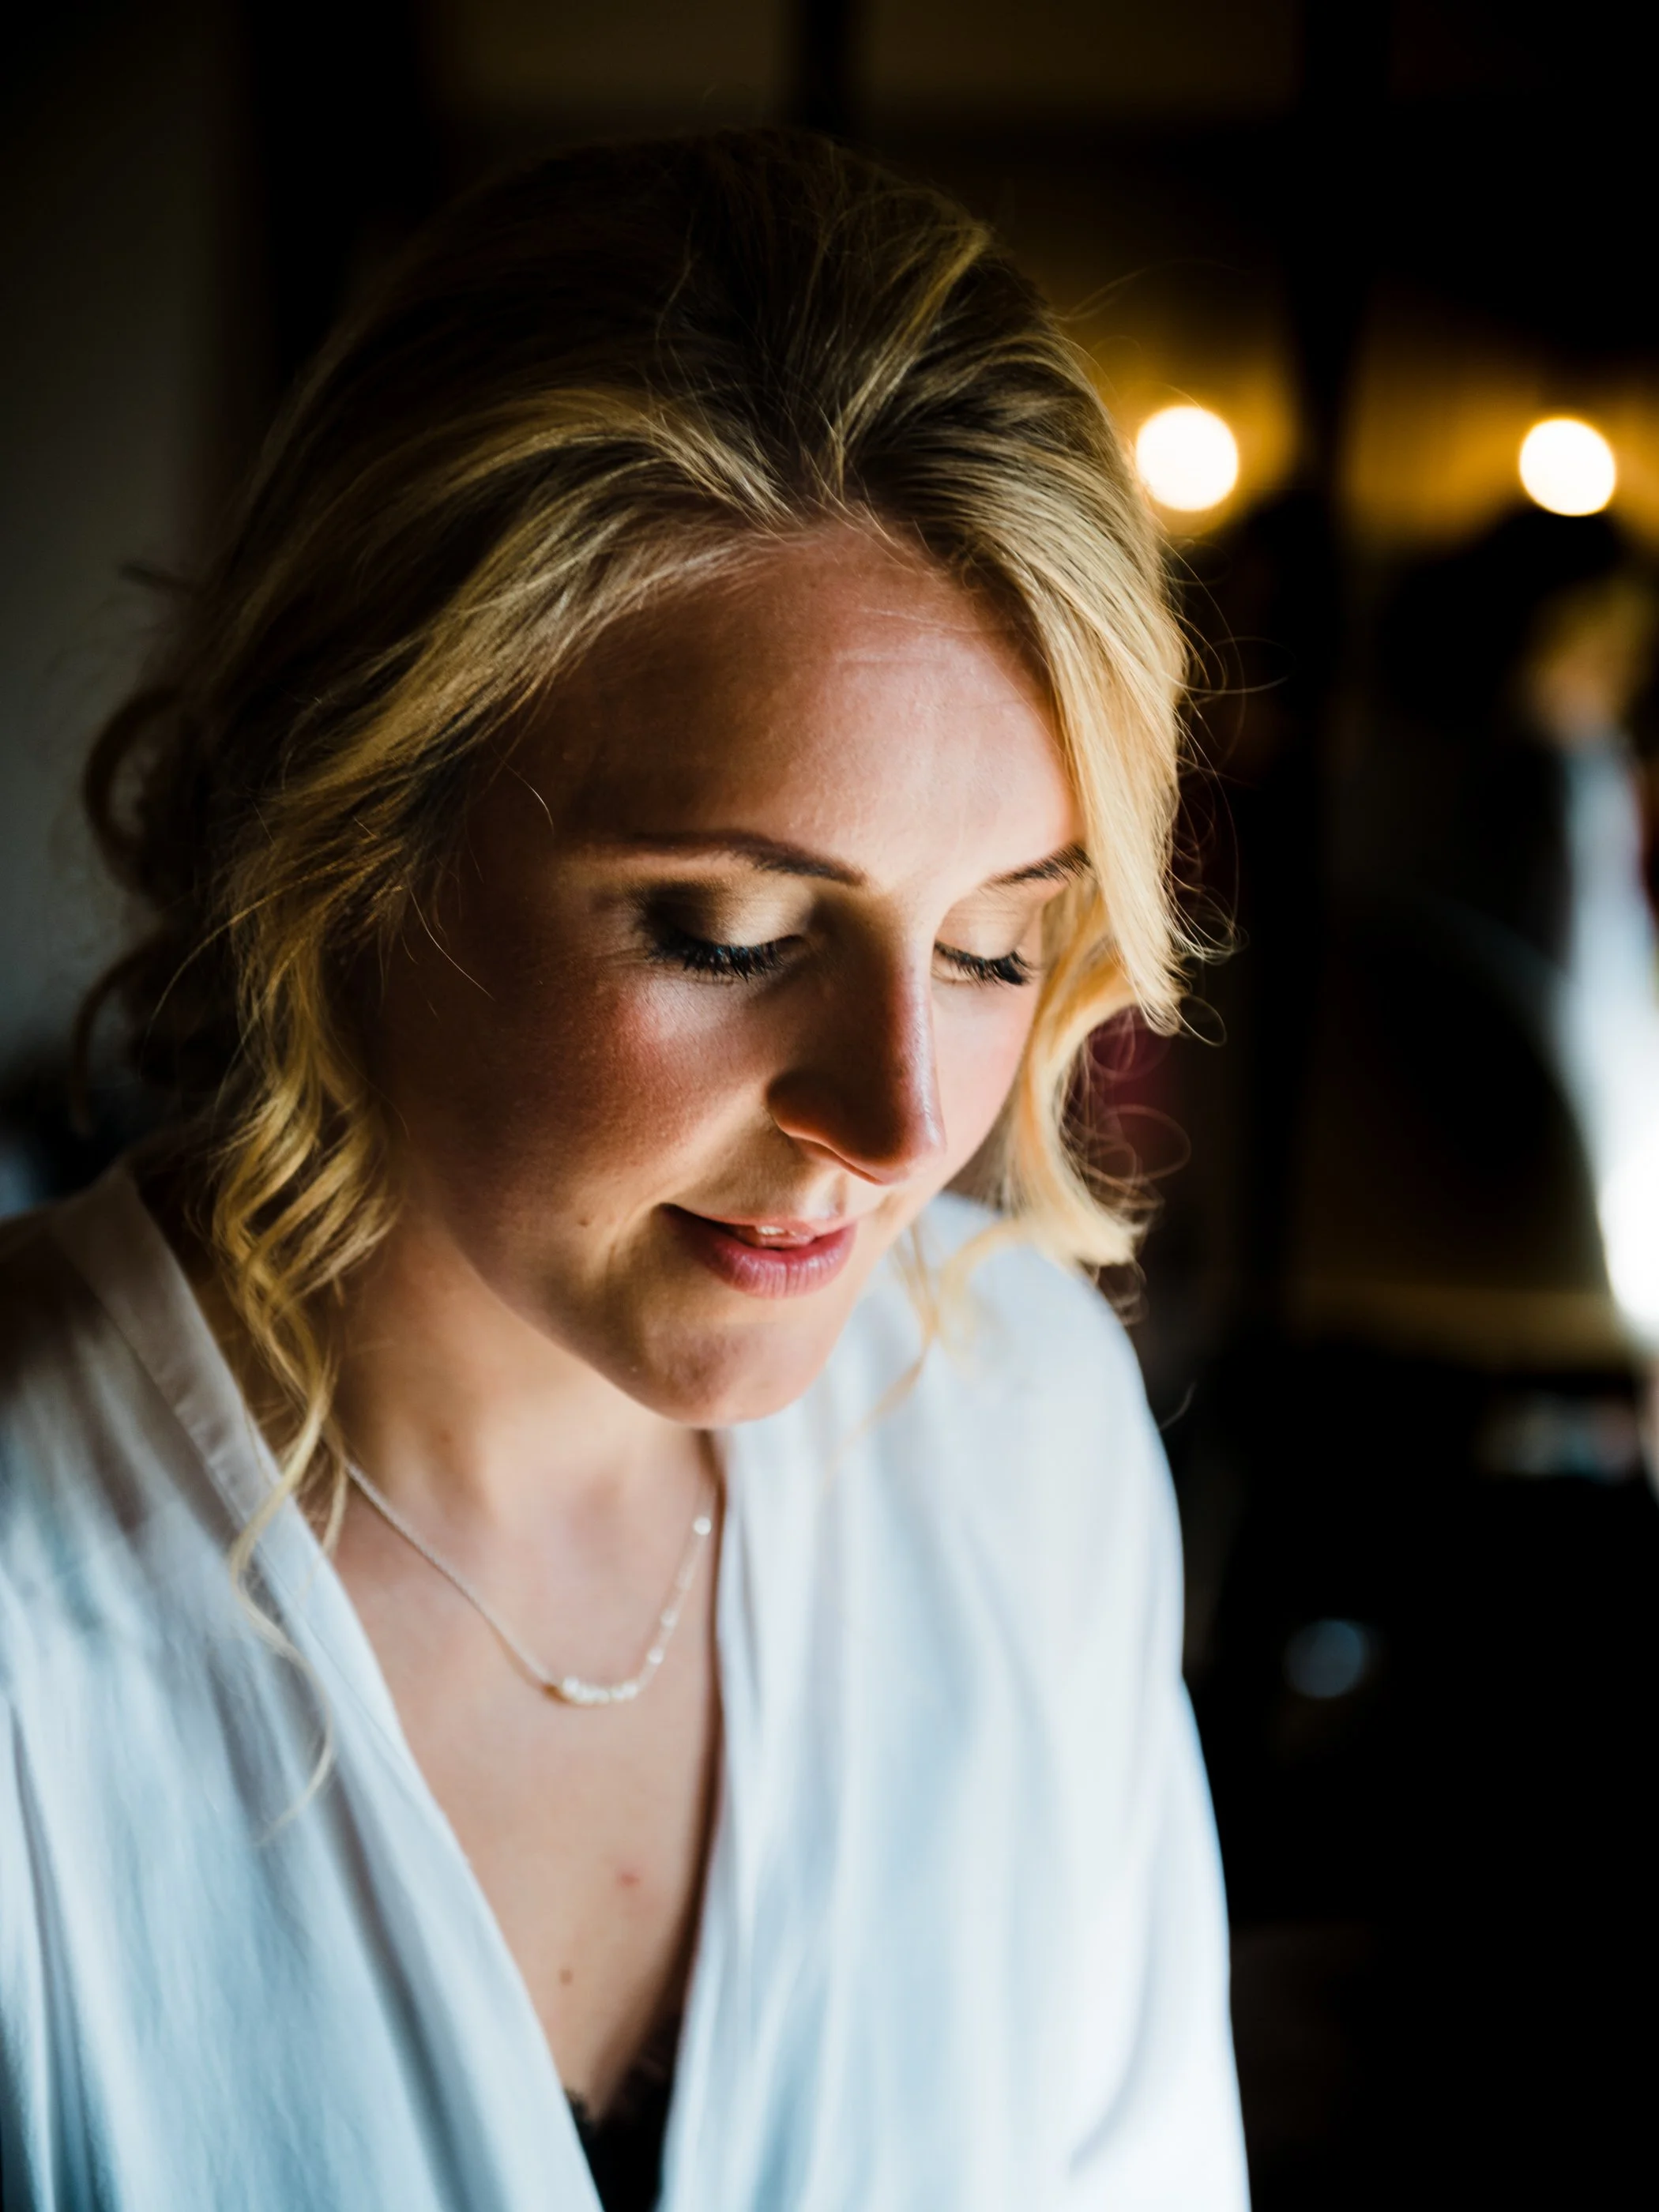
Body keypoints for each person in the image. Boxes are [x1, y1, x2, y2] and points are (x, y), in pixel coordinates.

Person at [0, 132, 1247, 2210]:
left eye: (991, 945)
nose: (896, 1118)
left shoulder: (1018, 1426)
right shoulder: (36, 1598)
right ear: (356, 834)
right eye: (726, 936)